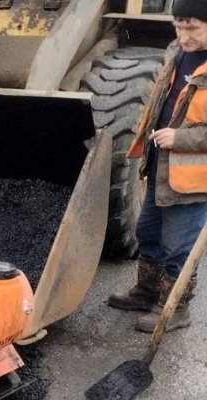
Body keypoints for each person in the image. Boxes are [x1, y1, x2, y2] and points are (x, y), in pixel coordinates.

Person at [107, 0, 207, 332]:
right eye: (178, 26)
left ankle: (175, 309)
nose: (184, 35)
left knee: (178, 246)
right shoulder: (177, 54)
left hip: (192, 179)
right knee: (148, 232)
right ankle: (146, 292)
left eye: (192, 27)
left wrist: (181, 139)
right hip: (161, 166)